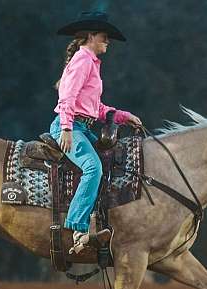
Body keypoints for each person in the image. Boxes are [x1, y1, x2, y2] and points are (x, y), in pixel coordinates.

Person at [51, 11, 142, 254]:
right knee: (93, 167)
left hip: (80, 125)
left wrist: (122, 116)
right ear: (91, 36)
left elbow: (95, 108)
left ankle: (95, 221)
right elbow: (66, 97)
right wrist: (67, 129)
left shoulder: (90, 63)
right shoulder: (82, 61)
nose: (108, 40)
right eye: (104, 35)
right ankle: (76, 228)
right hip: (69, 126)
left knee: (110, 161)